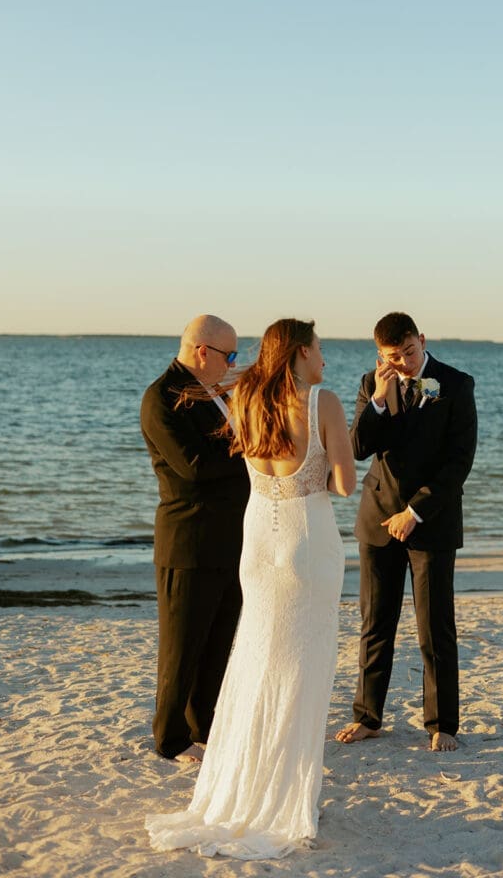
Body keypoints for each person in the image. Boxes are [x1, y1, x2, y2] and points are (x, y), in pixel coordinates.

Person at [146, 319, 356, 859]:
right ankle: (284, 798)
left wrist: (249, 374)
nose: (325, 359)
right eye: (319, 349)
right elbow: (343, 484)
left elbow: (241, 435)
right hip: (306, 541)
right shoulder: (324, 402)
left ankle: (240, 788)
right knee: (302, 670)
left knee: (255, 661)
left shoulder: (245, 400)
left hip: (258, 541)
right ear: (300, 352)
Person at [335, 312, 477, 752]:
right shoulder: (370, 384)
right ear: (380, 355)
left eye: (410, 352)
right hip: (378, 518)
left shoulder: (456, 384)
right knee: (375, 624)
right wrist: (378, 400)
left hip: (431, 521)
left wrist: (415, 512)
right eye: (393, 357)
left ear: (422, 340)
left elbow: (459, 461)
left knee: (435, 627)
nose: (404, 363)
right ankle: (368, 717)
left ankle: (442, 724)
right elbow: (358, 448)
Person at [140, 314, 249, 763]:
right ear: (203, 351)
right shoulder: (161, 397)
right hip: (188, 542)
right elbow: (193, 467)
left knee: (217, 643)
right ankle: (170, 738)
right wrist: (253, 452)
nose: (233, 364)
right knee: (181, 648)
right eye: (230, 355)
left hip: (231, 539)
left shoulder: (217, 392)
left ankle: (202, 727)